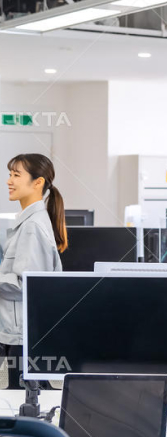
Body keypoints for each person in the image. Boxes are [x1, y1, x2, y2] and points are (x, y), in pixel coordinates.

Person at [1, 154, 66, 388]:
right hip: (18, 332)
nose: (9, 181)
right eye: (10, 174)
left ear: (37, 182)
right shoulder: (28, 222)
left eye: (16, 175)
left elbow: (28, 286)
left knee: (25, 400)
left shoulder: (32, 226)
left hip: (22, 336)